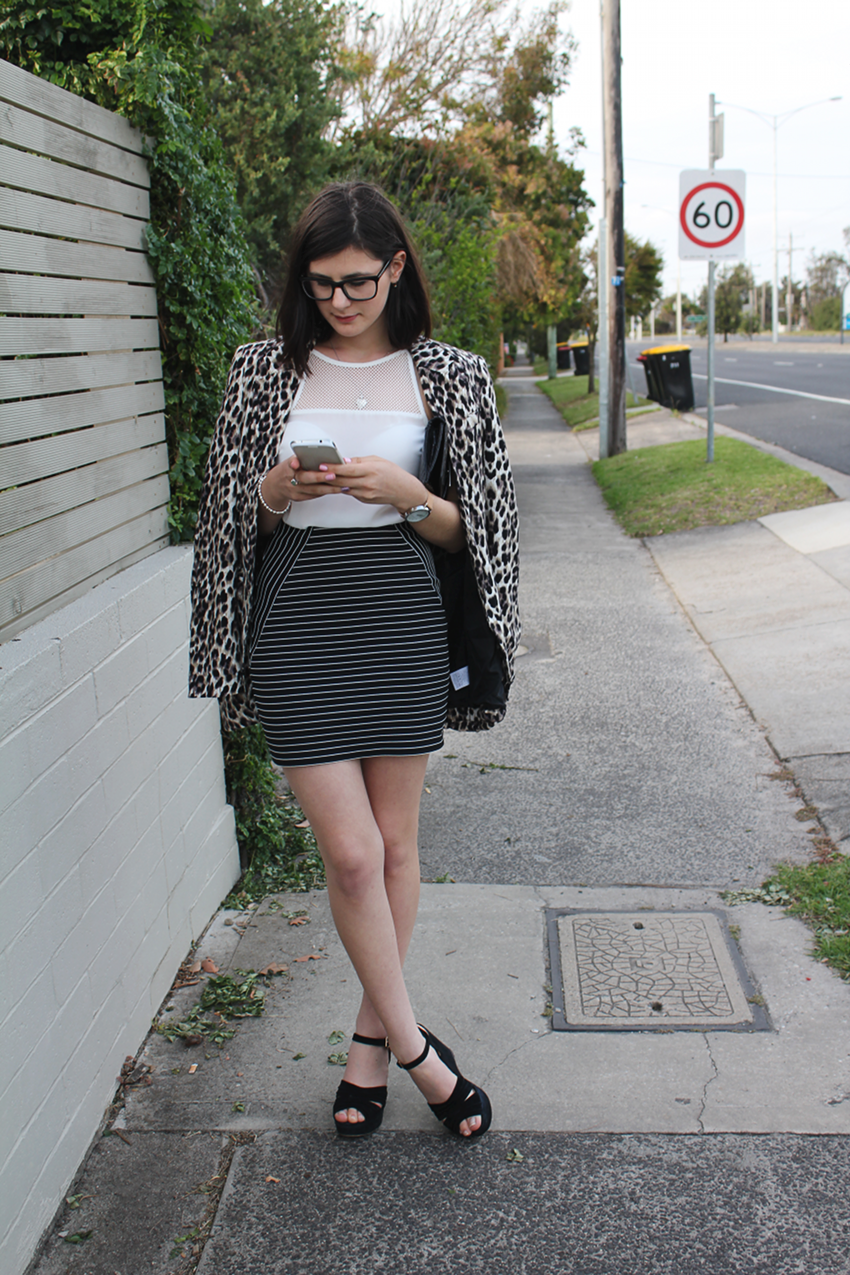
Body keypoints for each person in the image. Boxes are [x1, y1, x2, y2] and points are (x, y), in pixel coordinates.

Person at [189, 182, 520, 1139]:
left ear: (398, 270)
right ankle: (422, 1054)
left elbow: (481, 532)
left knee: (399, 846)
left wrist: (414, 494)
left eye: (361, 282)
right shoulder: (263, 372)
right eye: (323, 283)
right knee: (351, 851)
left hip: (401, 615)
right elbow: (224, 523)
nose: (341, 300)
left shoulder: (449, 375)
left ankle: (369, 1046)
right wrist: (274, 488)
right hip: (298, 614)